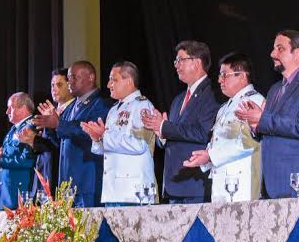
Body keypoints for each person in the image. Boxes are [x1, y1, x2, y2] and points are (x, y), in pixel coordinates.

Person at [236, 30, 299, 198]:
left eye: (280, 49)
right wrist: (255, 125)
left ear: (297, 53)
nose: (272, 54)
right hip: (271, 182)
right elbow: (268, 128)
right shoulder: (275, 89)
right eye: (273, 49)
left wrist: (262, 118)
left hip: (298, 182)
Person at [141, 40, 219, 204]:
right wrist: (160, 133)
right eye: (175, 61)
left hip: (197, 184)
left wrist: (164, 126)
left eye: (180, 60)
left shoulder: (212, 93)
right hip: (175, 185)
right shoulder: (178, 99)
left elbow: (203, 133)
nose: (176, 65)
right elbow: (173, 135)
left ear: (197, 62)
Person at [183, 52, 265, 202]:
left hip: (242, 185)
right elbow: (219, 141)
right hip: (221, 183)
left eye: (224, 75)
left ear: (241, 76)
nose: (220, 80)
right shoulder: (224, 107)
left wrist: (211, 156)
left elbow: (250, 143)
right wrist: (206, 157)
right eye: (220, 75)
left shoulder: (255, 102)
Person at [32, 60, 109, 207]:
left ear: (91, 77)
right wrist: (49, 125)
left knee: (89, 229)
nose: (70, 82)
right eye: (69, 78)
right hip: (66, 185)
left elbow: (87, 131)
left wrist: (58, 123)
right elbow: (58, 143)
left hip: (87, 183)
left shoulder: (101, 104)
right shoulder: (71, 106)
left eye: (74, 77)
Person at [81, 61, 156, 206]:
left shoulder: (142, 105)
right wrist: (97, 139)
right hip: (113, 190)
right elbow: (108, 147)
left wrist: (104, 135)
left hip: (133, 191)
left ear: (128, 81)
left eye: (113, 80)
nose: (109, 85)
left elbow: (139, 145)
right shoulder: (114, 109)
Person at [17, 68, 73, 194]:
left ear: (70, 86)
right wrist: (32, 140)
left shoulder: (73, 110)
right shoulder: (51, 110)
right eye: (52, 85)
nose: (54, 88)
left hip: (60, 174)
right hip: (45, 172)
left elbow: (58, 144)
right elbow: (48, 143)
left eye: (59, 85)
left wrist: (35, 140)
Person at [0, 92, 36, 209]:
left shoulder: (31, 126)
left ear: (23, 108)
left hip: (20, 196)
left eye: (10, 108)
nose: (7, 112)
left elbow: (28, 160)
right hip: (7, 196)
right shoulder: (14, 129)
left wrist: (2, 160)